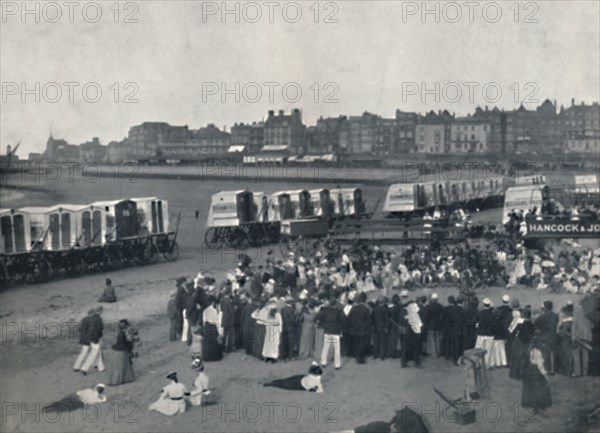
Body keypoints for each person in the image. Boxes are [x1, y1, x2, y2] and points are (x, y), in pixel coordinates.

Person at [521, 328, 552, 414]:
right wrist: (545, 374)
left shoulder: (530, 350)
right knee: (540, 389)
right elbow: (540, 365)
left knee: (531, 389)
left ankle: (532, 405)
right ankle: (539, 406)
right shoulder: (538, 352)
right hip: (536, 372)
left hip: (529, 371)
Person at [73, 306, 105, 375]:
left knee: (84, 352)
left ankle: (76, 367)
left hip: (84, 339)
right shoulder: (95, 319)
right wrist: (94, 338)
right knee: (96, 352)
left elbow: (79, 329)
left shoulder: (83, 319)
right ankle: (92, 367)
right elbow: (96, 330)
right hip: (93, 338)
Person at [316, 295, 345, 369]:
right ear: (335, 304)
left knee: (326, 347)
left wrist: (323, 324)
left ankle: (323, 362)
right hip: (336, 331)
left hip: (327, 330)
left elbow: (318, 316)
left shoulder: (325, 310)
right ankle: (337, 365)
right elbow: (343, 319)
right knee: (337, 348)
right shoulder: (338, 311)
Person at [106, 319, 137, 386]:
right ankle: (123, 379)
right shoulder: (126, 333)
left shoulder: (119, 332)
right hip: (122, 351)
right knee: (124, 365)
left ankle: (115, 380)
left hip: (116, 350)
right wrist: (130, 351)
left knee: (117, 366)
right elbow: (129, 342)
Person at [534, 300, 559, 374]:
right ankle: (553, 369)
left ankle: (547, 368)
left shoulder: (543, 317)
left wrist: (542, 313)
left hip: (545, 337)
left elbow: (536, 323)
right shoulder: (555, 316)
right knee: (552, 353)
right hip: (553, 336)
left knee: (545, 354)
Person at [348, 292, 372, 364]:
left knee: (356, 343)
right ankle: (360, 358)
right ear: (364, 300)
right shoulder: (366, 308)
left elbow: (349, 317)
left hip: (354, 329)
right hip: (362, 329)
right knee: (361, 344)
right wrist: (368, 329)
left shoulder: (353, 308)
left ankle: (355, 355)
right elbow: (369, 321)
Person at [202, 296, 223, 362]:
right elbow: (216, 321)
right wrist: (219, 331)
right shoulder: (214, 311)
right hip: (212, 327)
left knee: (207, 343)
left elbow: (204, 320)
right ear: (213, 302)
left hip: (206, 326)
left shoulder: (205, 310)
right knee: (213, 342)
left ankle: (207, 357)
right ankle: (214, 357)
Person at [424, 293, 443, 357]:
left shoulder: (428, 307)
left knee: (431, 339)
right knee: (438, 339)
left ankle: (434, 353)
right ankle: (439, 352)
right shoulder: (441, 307)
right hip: (438, 325)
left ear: (431, 299)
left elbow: (426, 317)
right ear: (437, 299)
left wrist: (425, 324)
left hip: (430, 325)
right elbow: (442, 317)